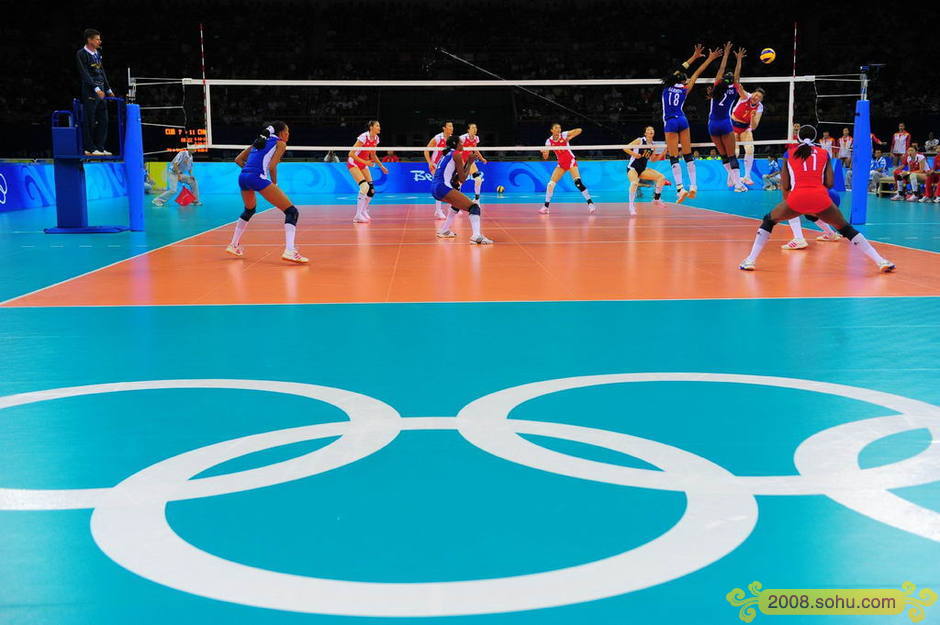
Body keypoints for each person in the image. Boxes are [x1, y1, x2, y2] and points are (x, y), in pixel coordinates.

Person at [739, 125, 894, 273]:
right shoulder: (823, 153)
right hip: (820, 197)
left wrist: (791, 201)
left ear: (798, 138)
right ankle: (881, 261)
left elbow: (785, 184)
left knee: (769, 220)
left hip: (797, 197)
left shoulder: (789, 154)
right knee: (846, 229)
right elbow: (829, 183)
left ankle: (750, 260)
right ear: (815, 138)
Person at [227, 122, 308, 263]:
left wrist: (249, 170)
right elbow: (272, 166)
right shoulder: (280, 143)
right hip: (257, 178)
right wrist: (274, 184)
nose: (288, 134)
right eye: (287, 131)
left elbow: (238, 160)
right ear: (281, 133)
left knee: (249, 210)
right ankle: (289, 251)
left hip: (243, 177)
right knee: (292, 212)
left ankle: (233, 245)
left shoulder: (258, 141)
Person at [661, 44, 722, 202]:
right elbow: (698, 72)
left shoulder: (667, 86)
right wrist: (709, 58)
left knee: (674, 156)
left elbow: (680, 68)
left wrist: (693, 57)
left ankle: (680, 188)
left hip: (670, 122)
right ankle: (694, 185)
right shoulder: (685, 88)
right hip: (682, 119)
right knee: (688, 155)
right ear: (684, 80)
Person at [433, 134, 492, 244]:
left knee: (456, 204)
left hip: (436, 188)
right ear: (455, 144)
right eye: (460, 142)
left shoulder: (446, 154)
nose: (462, 144)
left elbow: (456, 178)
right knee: (474, 207)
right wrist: (470, 162)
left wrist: (468, 164)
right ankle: (476, 236)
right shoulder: (456, 154)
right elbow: (463, 179)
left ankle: (444, 230)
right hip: (443, 187)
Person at [706, 42, 748, 192]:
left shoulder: (717, 86)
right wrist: (739, 59)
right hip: (725, 123)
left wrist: (726, 53)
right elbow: (737, 74)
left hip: (712, 125)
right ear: (732, 82)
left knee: (723, 155)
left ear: (723, 79)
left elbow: (721, 69)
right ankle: (737, 183)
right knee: (731, 156)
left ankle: (732, 178)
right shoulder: (734, 88)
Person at [76, 28, 116, 156]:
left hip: (102, 91)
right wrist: (96, 88)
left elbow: (101, 72)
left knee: (103, 119)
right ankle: (89, 148)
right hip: (90, 91)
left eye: (99, 39)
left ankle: (100, 147)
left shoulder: (98, 53)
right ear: (90, 40)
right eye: (97, 39)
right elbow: (85, 74)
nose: (100, 41)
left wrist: (108, 89)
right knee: (90, 120)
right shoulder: (81, 54)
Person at [539, 124, 595, 214]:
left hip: (571, 161)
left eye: (559, 128)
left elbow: (579, 129)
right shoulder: (548, 141)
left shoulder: (564, 135)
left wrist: (570, 137)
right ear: (551, 130)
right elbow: (545, 157)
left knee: (578, 183)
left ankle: (590, 203)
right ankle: (546, 207)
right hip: (561, 164)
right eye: (556, 128)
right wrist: (543, 152)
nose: (558, 129)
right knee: (550, 184)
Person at [347, 120, 389, 223]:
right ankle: (357, 216)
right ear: (371, 127)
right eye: (377, 126)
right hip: (354, 162)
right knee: (364, 187)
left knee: (371, 190)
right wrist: (365, 162)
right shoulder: (363, 137)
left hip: (363, 164)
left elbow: (373, 155)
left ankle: (363, 210)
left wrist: (381, 166)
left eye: (379, 126)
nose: (379, 128)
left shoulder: (376, 139)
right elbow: (351, 154)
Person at [730, 67, 765, 186]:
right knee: (735, 152)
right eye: (756, 95)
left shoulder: (759, 107)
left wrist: (752, 117)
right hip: (733, 126)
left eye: (759, 97)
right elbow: (737, 84)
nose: (756, 98)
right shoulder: (745, 96)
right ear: (753, 93)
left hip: (745, 128)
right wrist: (739, 61)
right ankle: (732, 177)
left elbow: (754, 126)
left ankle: (747, 176)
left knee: (750, 149)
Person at [623, 126, 667, 215]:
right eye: (648, 130)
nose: (651, 131)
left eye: (652, 130)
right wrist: (634, 154)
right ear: (645, 133)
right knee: (634, 183)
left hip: (642, 169)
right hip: (632, 168)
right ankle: (631, 206)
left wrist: (664, 152)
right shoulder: (640, 140)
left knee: (661, 177)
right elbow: (625, 148)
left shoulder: (653, 146)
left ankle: (656, 199)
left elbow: (653, 160)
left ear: (653, 133)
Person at [424, 121, 454, 219]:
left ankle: (451, 208)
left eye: (452, 126)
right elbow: (426, 150)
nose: (451, 128)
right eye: (449, 126)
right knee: (439, 186)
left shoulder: (452, 139)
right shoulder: (438, 138)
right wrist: (429, 162)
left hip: (447, 166)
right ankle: (438, 210)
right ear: (444, 128)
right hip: (436, 165)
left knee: (450, 186)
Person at [459, 123, 488, 204]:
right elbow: (457, 150)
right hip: (461, 161)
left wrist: (482, 158)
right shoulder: (463, 138)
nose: (475, 129)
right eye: (473, 128)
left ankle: (477, 199)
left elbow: (475, 149)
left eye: (476, 128)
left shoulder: (476, 138)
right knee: (459, 183)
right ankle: (455, 202)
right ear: (468, 130)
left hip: (470, 162)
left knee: (478, 179)